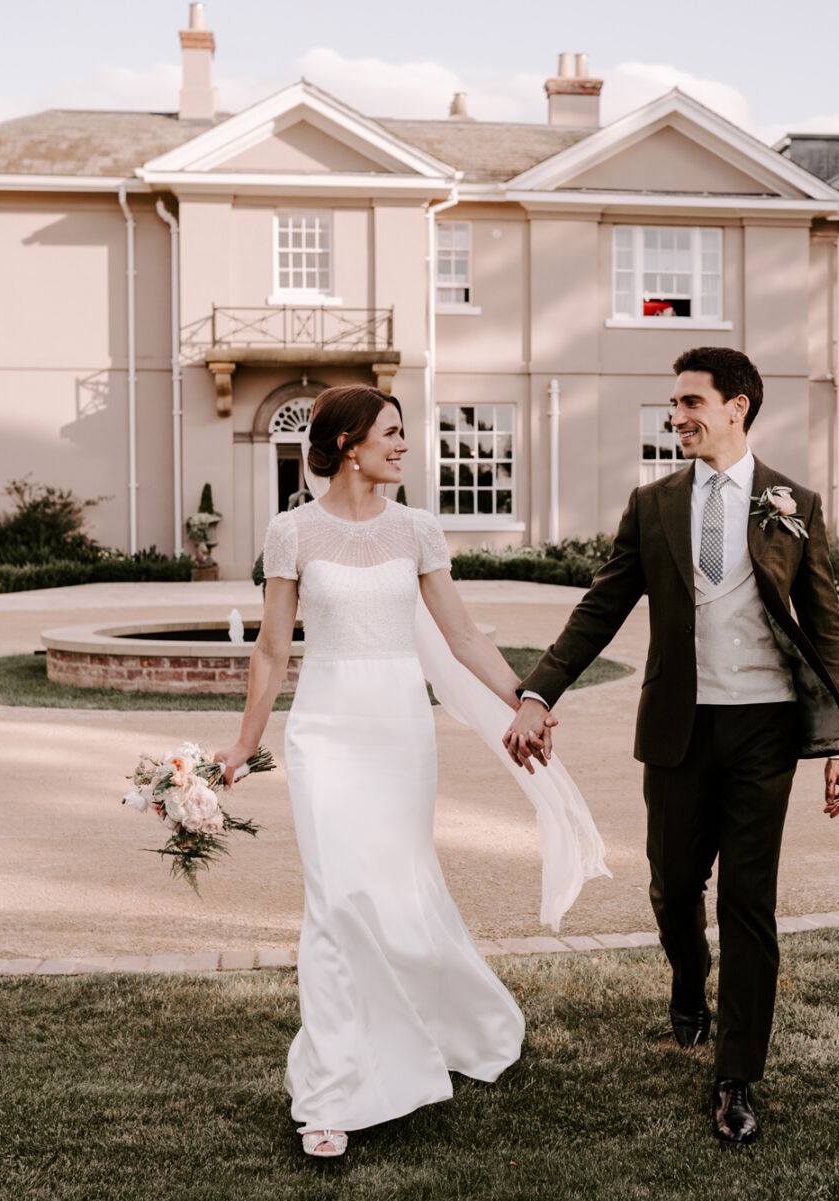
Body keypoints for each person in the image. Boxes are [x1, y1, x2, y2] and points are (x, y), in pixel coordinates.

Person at [214, 384, 604, 1159]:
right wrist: (245, 741)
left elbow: (461, 634)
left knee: (399, 889)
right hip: (324, 729)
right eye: (391, 432)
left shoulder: (418, 529)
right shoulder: (291, 531)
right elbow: (271, 648)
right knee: (333, 900)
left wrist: (525, 698)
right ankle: (328, 1095)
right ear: (350, 441)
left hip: (398, 727)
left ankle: (445, 1022)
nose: (403, 444)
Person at [504, 347, 839, 1146]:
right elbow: (602, 607)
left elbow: (825, 623)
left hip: (764, 726)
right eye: (673, 404)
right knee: (672, 888)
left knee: (748, 903)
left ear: (738, 406)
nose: (678, 416)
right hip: (677, 725)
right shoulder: (653, 503)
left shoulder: (792, 502)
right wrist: (538, 691)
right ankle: (688, 982)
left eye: (692, 401)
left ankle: (735, 1078)